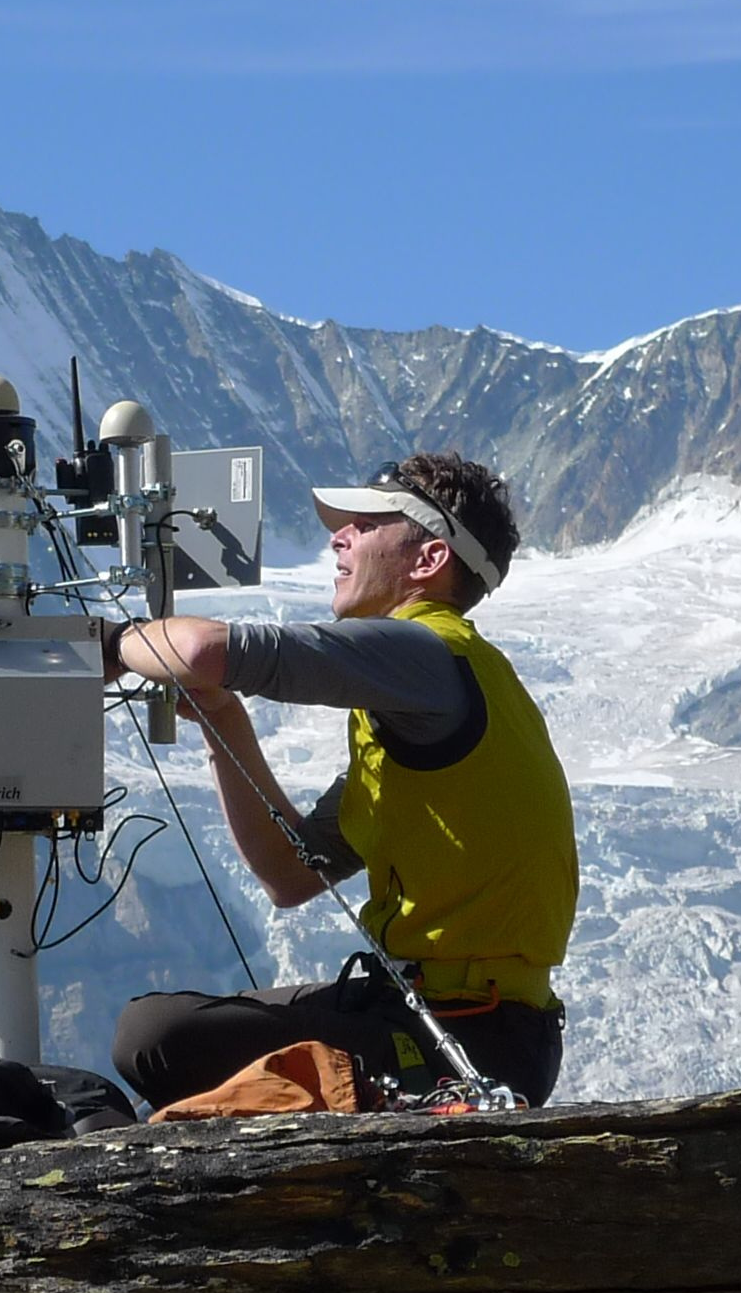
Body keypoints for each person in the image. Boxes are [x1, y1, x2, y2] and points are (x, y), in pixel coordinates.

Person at [99, 451, 578, 1108]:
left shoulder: (428, 653)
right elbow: (291, 874)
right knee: (160, 1032)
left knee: (158, 1037)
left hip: (468, 1035)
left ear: (429, 560)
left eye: (366, 523)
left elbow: (201, 651)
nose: (338, 535)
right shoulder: (435, 691)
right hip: (460, 1019)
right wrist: (222, 720)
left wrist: (117, 640)